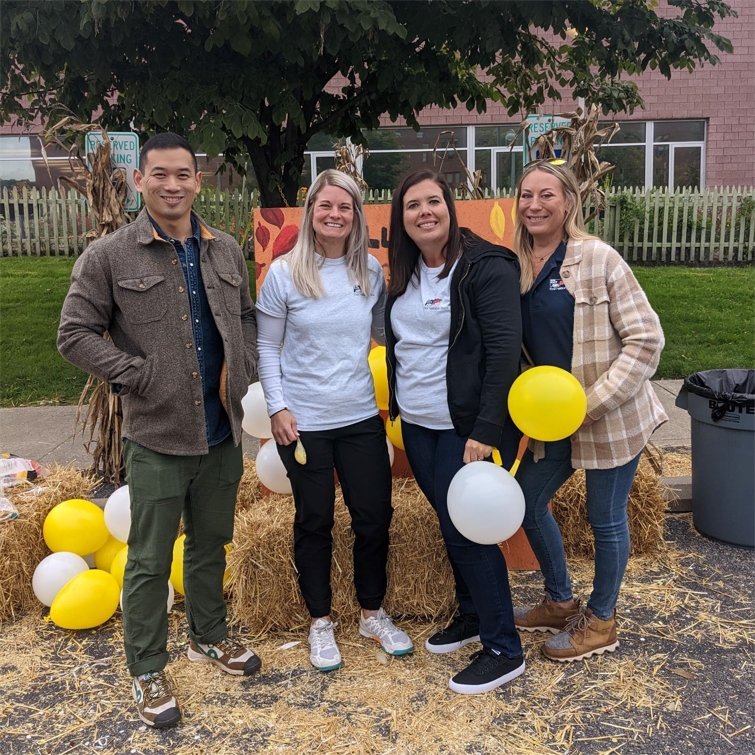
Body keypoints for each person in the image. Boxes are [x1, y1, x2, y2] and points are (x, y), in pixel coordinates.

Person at [58, 133, 260, 729]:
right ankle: (147, 669)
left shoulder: (225, 250)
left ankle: (209, 636)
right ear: (140, 181)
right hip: (158, 436)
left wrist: (242, 365)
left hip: (221, 431)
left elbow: (244, 315)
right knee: (147, 560)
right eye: (160, 175)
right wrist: (134, 375)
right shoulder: (110, 256)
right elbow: (74, 334)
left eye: (184, 175)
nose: (173, 185)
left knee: (208, 546)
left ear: (199, 181)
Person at [255, 169, 413, 672]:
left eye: (345, 207)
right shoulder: (283, 273)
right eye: (326, 206)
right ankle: (320, 622)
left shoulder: (367, 271)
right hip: (304, 423)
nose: (335, 215)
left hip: (360, 416)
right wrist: (277, 408)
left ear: (356, 215)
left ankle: (372, 613)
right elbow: (266, 345)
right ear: (311, 212)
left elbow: (386, 336)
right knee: (315, 520)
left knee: (374, 518)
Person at [510, 159, 668, 662]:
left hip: (609, 413)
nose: (534, 205)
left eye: (546, 195)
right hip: (548, 417)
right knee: (526, 501)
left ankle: (601, 621)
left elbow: (647, 339)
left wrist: (591, 404)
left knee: (606, 517)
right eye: (525, 195)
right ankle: (559, 601)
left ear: (569, 203)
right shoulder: (512, 264)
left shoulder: (596, 258)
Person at [385, 169, 524, 695]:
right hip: (418, 426)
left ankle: (503, 648)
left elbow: (502, 354)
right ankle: (471, 617)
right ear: (402, 219)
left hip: (465, 428)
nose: (425, 212)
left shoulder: (485, 266)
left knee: (470, 531)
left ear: (449, 208)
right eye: (413, 205)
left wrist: (485, 428)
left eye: (434, 202)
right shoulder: (406, 271)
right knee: (451, 527)